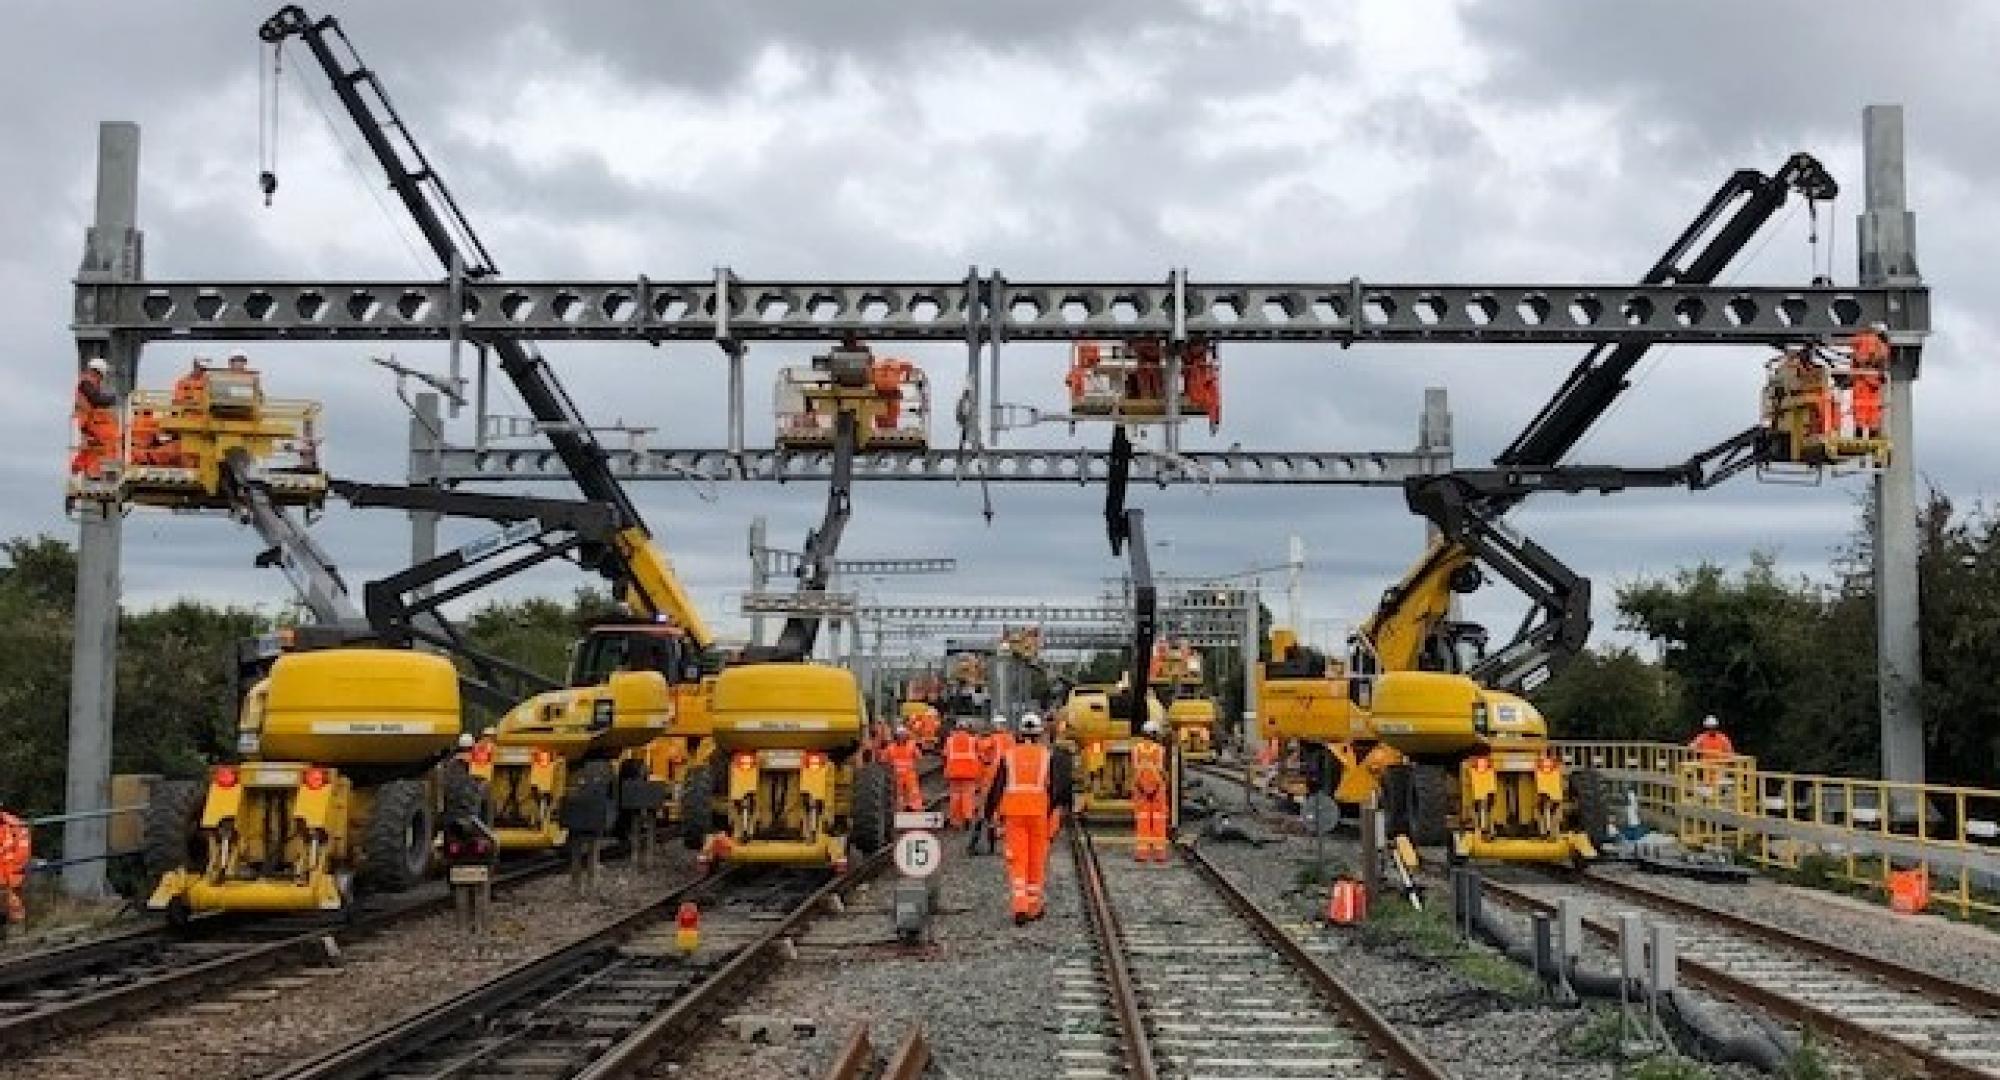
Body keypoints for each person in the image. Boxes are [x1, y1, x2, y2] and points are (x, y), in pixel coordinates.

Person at [983, 712, 1075, 925]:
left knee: (1017, 859)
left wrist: (989, 815)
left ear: (1019, 733)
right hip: (1038, 813)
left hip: (1014, 813)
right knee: (1037, 858)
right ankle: (1034, 906)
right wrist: (1055, 808)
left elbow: (997, 788)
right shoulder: (1047, 756)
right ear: (1040, 733)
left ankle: (1020, 907)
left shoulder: (1009, 756)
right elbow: (1059, 785)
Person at [71, 358, 120, 478]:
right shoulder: (86, 383)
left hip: (88, 420)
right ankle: (108, 468)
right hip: (88, 420)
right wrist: (113, 399)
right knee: (111, 437)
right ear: (99, 373)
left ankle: (84, 468)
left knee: (93, 448)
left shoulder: (88, 383)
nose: (102, 379)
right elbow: (96, 399)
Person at [1132, 720, 1170, 863]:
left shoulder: (1136, 749)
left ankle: (1142, 853)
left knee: (1142, 821)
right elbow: (1160, 769)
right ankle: (1159, 853)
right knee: (1158, 820)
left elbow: (1135, 768)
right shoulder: (1160, 750)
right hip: (1157, 790)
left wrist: (1142, 787)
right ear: (1154, 734)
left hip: (1140, 789)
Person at [942, 720, 983, 829]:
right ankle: (967, 816)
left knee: (955, 796)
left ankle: (955, 821)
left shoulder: (950, 740)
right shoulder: (973, 740)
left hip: (953, 772)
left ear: (956, 729)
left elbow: (945, 755)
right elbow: (980, 754)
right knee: (968, 795)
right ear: (967, 729)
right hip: (969, 773)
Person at [0, 807, 30, 934]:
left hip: (12, 875)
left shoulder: (15, 826)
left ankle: (16, 930)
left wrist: (9, 878)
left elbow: (22, 853)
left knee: (13, 903)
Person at [882, 726, 923, 812]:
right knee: (898, 795)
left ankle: (914, 809)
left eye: (903, 735)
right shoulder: (890, 747)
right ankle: (900, 810)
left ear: (906, 736)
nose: (901, 737)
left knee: (913, 793)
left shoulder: (911, 745)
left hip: (909, 775)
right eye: (900, 735)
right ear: (896, 736)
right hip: (897, 776)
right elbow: (883, 760)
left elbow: (919, 757)